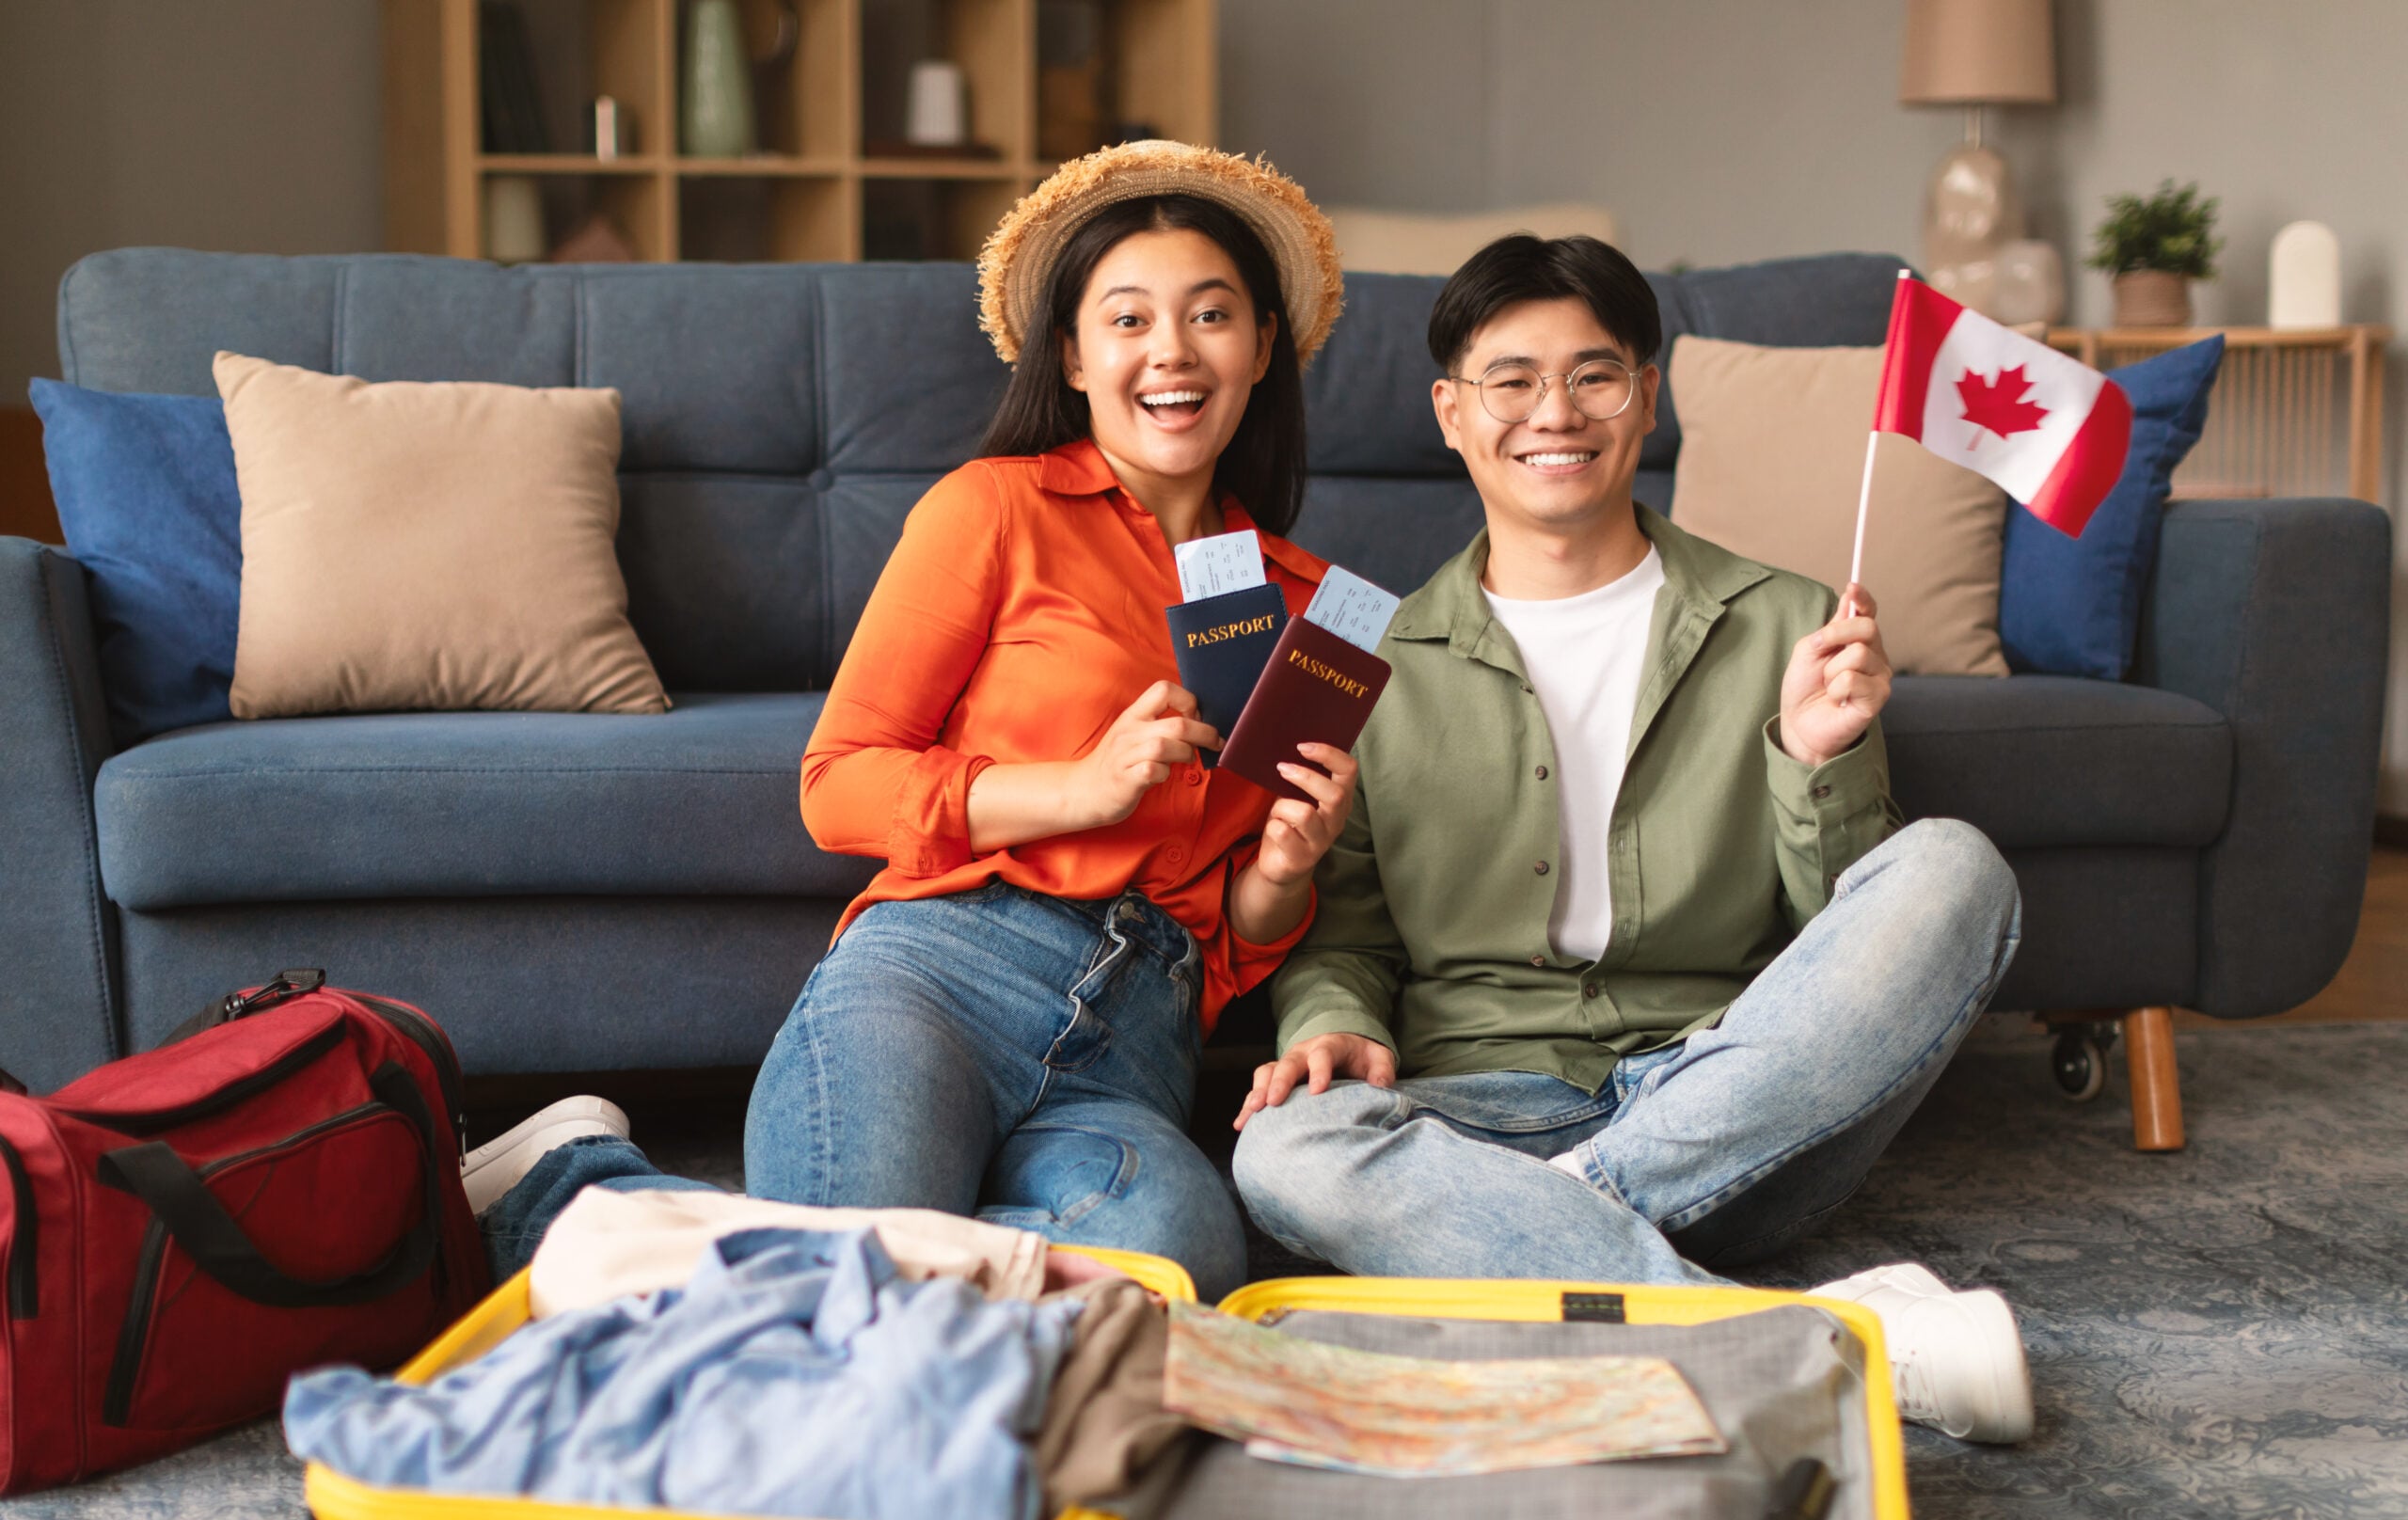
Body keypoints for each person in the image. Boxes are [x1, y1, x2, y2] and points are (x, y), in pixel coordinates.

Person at [461, 144, 1355, 1303]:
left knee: (1172, 1269)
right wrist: (1072, 791)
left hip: (1135, 1044)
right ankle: (561, 1181)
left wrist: (1286, 866)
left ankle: (651, 1216)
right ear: (1074, 357)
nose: (1171, 351)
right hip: (941, 972)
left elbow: (1239, 935)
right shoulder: (993, 508)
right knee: (860, 1281)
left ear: (1261, 347)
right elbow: (836, 782)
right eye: (1127, 318)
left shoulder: (1305, 603)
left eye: (1211, 315)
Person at [1227, 234, 2036, 1442]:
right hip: (1475, 1106)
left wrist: (1817, 759)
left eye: (1594, 376)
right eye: (1511, 380)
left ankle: (1528, 1241)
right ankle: (1798, 1340)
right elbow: (1342, 934)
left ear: (1646, 399)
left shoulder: (1791, 621)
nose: (1554, 412)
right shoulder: (1368, 660)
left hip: (1738, 1102)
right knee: (1285, 1149)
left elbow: (1839, 936)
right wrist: (1331, 1021)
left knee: (1955, 866)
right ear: (1451, 412)